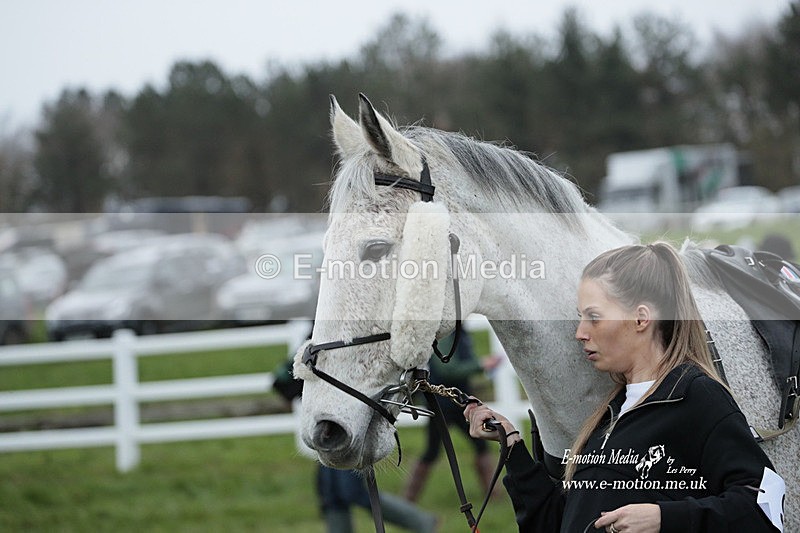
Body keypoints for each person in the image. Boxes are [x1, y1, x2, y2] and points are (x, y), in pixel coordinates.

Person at [464, 242, 785, 532]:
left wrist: (663, 518)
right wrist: (512, 447)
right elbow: (558, 524)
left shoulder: (695, 396)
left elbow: (765, 510)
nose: (580, 332)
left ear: (641, 319)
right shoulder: (608, 415)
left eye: (594, 317)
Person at [272, 332, 438, 533]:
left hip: (346, 415)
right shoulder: (321, 325)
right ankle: (420, 521)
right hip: (328, 413)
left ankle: (420, 522)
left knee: (350, 491)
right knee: (330, 493)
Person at [404, 326, 503, 502]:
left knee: (480, 445)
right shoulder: (447, 334)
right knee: (433, 451)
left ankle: (493, 494)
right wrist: (481, 365)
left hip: (458, 403)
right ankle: (408, 499)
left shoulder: (459, 332)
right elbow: (447, 369)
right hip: (443, 404)